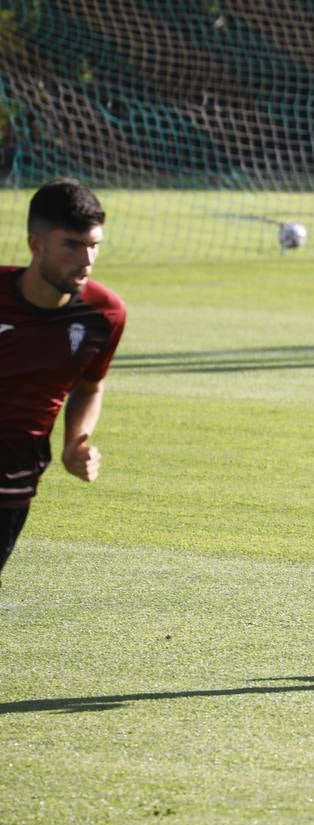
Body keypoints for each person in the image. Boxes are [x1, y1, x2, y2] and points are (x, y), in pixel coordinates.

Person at [0, 178, 126, 583]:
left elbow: (90, 385)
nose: (86, 259)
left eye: (94, 245)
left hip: (15, 474)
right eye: (72, 245)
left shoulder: (104, 316)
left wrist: (76, 440)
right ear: (36, 244)